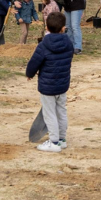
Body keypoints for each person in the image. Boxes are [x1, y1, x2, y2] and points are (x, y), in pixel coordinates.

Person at [26, 11, 74, 152]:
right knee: (61, 112)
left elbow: (34, 62)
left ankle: (53, 142)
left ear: (47, 28)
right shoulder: (69, 43)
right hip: (62, 85)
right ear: (63, 28)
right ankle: (62, 139)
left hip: (48, 86)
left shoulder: (43, 45)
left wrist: (30, 74)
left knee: (50, 114)